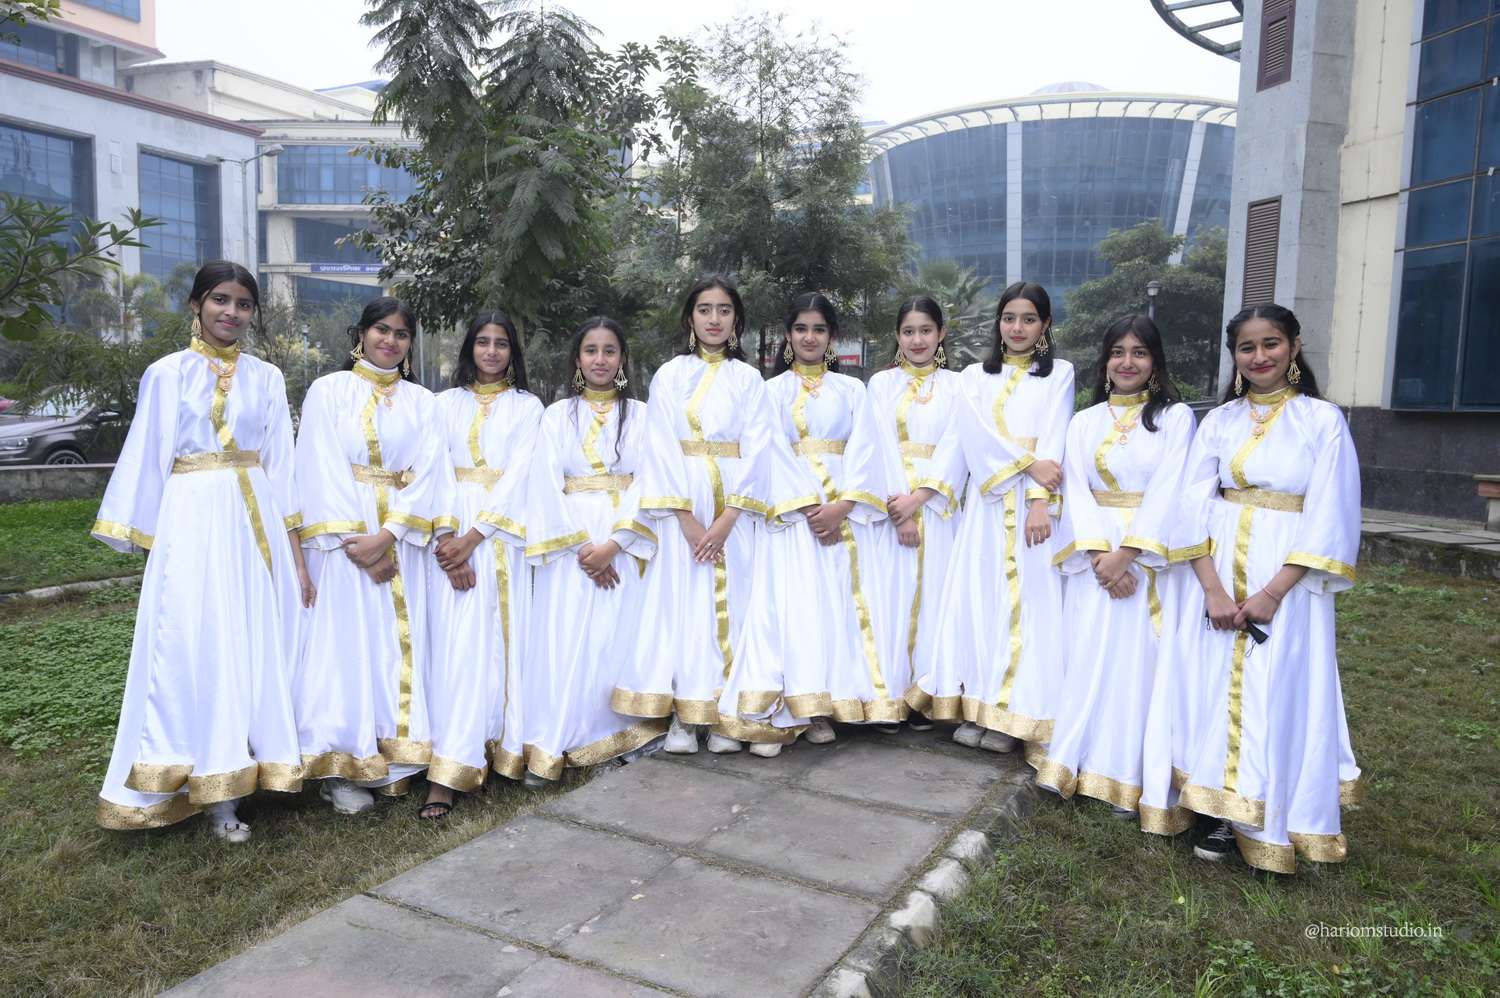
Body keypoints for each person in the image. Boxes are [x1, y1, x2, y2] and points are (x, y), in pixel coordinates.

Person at [92, 261, 312, 841]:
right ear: (196, 304)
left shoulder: (267, 377)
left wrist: (296, 552)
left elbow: (282, 465)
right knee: (199, 644)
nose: (231, 312)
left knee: (251, 643)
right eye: (220, 300)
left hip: (255, 524)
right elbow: (148, 453)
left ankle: (248, 771)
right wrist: (145, 540)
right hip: (190, 521)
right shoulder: (167, 373)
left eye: (243, 304)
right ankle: (207, 785)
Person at [1166, 305, 1362, 873]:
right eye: (1246, 347)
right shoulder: (1218, 421)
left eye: (1270, 343)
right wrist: (1211, 589)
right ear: (1234, 355)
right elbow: (1190, 505)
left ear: (1294, 346)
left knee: (1274, 685)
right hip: (1219, 567)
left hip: (1287, 574)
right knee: (1214, 684)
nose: (1259, 356)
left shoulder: (1322, 420)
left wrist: (1274, 592)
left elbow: (1331, 512)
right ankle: (1217, 806)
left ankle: (1267, 812)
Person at [717, 293, 908, 752]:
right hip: (794, 516)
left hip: (846, 511)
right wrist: (808, 507)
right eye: (801, 329)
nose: (809, 337)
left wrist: (842, 506)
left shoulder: (853, 390)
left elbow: (868, 448)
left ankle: (849, 699)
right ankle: (810, 705)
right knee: (801, 605)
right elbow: (768, 451)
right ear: (788, 335)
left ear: (832, 337)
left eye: (819, 329)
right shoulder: (770, 391)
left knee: (844, 603)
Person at [1031, 314, 1195, 826]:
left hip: (1146, 561)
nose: (1127, 362)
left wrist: (1128, 554)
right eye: (1118, 352)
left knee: (1140, 663)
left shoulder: (1176, 418)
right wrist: (1099, 555)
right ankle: (1080, 761)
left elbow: (1171, 488)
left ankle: (1131, 775)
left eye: (1139, 353)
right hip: (1094, 558)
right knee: (1088, 654)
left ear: (1155, 362)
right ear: (1104, 361)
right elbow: (1075, 489)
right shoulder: (1084, 422)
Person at [292, 297, 450, 814]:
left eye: (401, 334)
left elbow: (431, 471)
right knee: (348, 647)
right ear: (360, 334)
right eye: (381, 330)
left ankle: (398, 763)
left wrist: (390, 534)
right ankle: (342, 766)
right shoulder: (329, 390)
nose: (390, 340)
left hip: (402, 540)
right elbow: (318, 466)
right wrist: (360, 543)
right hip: (343, 542)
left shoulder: (423, 402)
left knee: (399, 646)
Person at [611, 276, 780, 755]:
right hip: (681, 508)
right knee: (683, 605)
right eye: (705, 309)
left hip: (735, 512)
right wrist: (687, 521)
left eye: (724, 310)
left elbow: (759, 449)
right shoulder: (669, 375)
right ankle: (686, 714)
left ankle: (730, 715)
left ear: (736, 319)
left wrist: (727, 520)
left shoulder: (749, 380)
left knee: (739, 602)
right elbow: (660, 447)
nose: (714, 319)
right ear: (690, 317)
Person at [909, 282, 1074, 756]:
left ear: (1045, 325)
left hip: (1034, 507)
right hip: (987, 503)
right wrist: (1027, 464)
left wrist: (1040, 499)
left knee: (1027, 606)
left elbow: (1055, 437)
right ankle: (980, 706)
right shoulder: (973, 377)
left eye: (1028, 319)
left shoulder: (1060, 374)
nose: (1017, 328)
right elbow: (973, 436)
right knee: (982, 603)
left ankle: (1013, 714)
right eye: (1009, 318)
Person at [522, 318, 665, 778]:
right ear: (577, 358)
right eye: (591, 351)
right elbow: (544, 483)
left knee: (617, 635)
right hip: (573, 546)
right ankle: (566, 733)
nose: (600, 360)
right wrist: (585, 547)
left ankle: (618, 733)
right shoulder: (556, 415)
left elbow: (651, 480)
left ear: (622, 359)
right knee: (568, 634)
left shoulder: (642, 415)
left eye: (609, 351)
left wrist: (615, 544)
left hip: (623, 540)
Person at [420, 312, 541, 818]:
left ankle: (499, 749)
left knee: (499, 645)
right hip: (447, 540)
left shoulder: (528, 407)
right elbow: (432, 470)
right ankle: (446, 768)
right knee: (455, 649)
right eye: (483, 342)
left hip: (500, 538)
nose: (491, 351)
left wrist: (474, 537)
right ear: (469, 347)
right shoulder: (442, 404)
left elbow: (522, 475)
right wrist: (448, 540)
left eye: (502, 343)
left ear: (513, 352)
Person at [873, 297, 968, 732]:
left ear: (941, 334)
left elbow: (956, 447)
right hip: (891, 512)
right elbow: (879, 446)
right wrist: (902, 510)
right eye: (908, 331)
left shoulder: (959, 386)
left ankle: (926, 696)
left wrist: (921, 498)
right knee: (890, 598)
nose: (917, 340)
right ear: (897, 336)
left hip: (939, 508)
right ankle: (890, 696)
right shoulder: (880, 384)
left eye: (926, 330)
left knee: (936, 598)